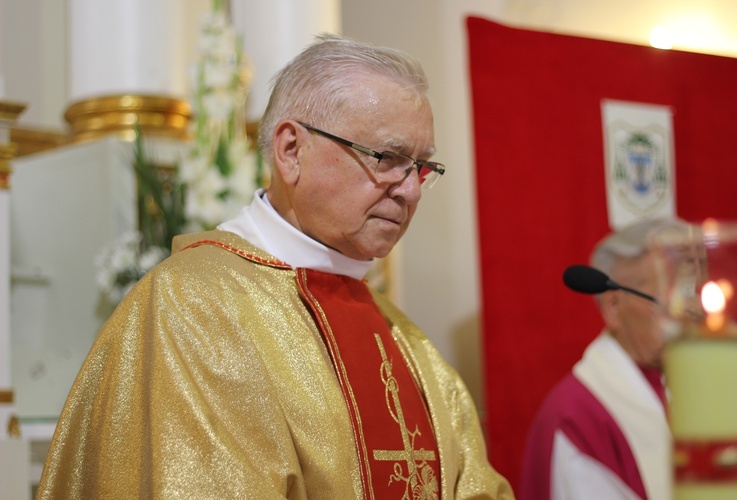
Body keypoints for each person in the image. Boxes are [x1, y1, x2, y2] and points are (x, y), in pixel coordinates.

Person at [37, 34, 514, 499]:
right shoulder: (193, 306)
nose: (410, 190)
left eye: (422, 167)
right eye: (388, 158)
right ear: (291, 151)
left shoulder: (404, 341)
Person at [519, 217, 687, 500]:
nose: (688, 314)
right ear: (612, 306)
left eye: (692, 295)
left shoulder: (698, 382)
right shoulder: (578, 420)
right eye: (670, 300)